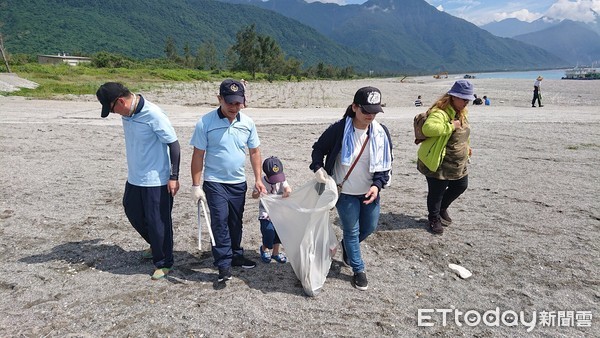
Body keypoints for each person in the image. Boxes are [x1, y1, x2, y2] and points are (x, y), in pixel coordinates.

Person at [310, 86, 393, 291]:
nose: (370, 116)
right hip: (345, 192)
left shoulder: (382, 133)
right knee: (351, 230)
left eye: (375, 111)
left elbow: (386, 164)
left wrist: (377, 185)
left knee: (370, 227)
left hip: (369, 192)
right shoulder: (339, 129)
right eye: (366, 111)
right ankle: (358, 269)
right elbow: (318, 149)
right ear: (354, 107)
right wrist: (318, 168)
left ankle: (348, 247)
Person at [95, 82, 180, 280]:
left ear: (121, 101)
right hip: (135, 177)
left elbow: (174, 145)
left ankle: (164, 262)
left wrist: (173, 177)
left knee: (158, 221)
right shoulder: (128, 114)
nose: (114, 113)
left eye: (112, 109)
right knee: (131, 211)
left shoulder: (154, 115)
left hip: (156, 179)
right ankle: (156, 243)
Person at [190, 79, 267, 283]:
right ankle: (223, 263)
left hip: (238, 183)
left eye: (238, 103)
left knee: (235, 221)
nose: (234, 107)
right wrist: (196, 185)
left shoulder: (247, 123)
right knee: (220, 221)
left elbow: (255, 152)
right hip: (215, 182)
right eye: (230, 102)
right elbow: (198, 155)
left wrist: (258, 179)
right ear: (220, 99)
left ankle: (236, 255)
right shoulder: (205, 123)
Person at [417, 80, 472, 235]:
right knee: (436, 191)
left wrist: (467, 147)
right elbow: (428, 129)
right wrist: (450, 126)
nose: (466, 102)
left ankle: (442, 208)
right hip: (438, 160)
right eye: (463, 98)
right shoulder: (439, 112)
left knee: (461, 185)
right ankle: (433, 218)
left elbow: (464, 133)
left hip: (456, 161)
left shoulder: (461, 112)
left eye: (468, 99)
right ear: (453, 97)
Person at [252, 156, 292, 264]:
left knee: (279, 232)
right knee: (268, 231)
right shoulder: (261, 182)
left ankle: (275, 252)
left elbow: (288, 188)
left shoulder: (281, 181)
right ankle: (265, 248)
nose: (276, 181)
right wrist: (258, 192)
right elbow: (254, 195)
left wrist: (287, 192)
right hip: (265, 212)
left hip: (279, 212)